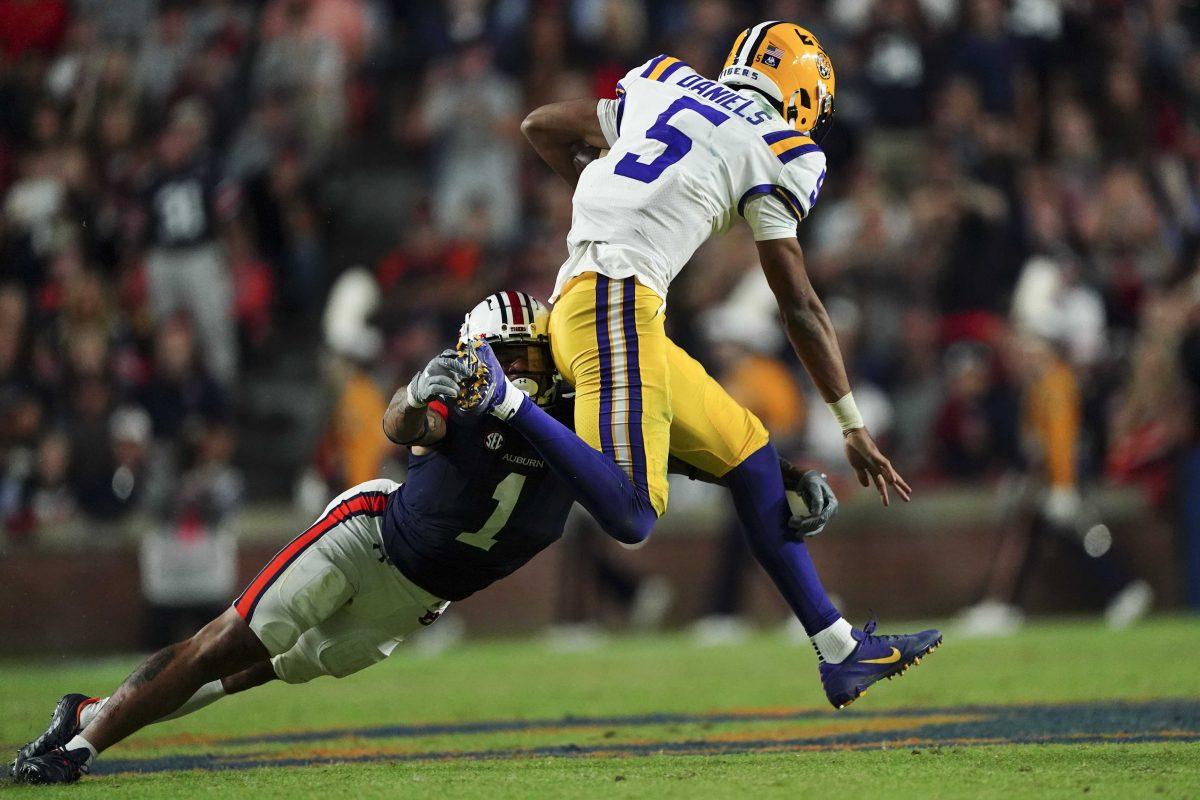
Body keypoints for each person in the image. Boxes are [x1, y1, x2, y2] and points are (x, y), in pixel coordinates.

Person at [10, 292, 834, 784]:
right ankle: (83, 746)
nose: (516, 366)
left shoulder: (583, 411)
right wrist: (415, 391)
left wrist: (774, 473)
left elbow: (665, 460)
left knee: (246, 675)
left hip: (417, 601)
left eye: (523, 352)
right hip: (368, 538)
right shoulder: (471, 394)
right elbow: (402, 423)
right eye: (501, 354)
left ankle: (88, 710)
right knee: (229, 637)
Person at [518, 22, 940, 710]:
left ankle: (840, 652)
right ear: (803, 93)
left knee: (751, 456)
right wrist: (851, 422)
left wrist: (602, 195)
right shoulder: (780, 147)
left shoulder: (662, 83)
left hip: (609, 302)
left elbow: (541, 126)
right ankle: (503, 402)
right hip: (615, 303)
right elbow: (799, 303)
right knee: (630, 512)